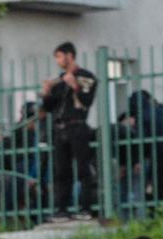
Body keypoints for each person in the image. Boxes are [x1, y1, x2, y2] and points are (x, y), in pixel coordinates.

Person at [41, 42, 98, 221]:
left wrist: (75, 86)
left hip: (77, 126)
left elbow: (87, 101)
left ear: (70, 55)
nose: (58, 60)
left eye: (59, 56)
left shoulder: (85, 76)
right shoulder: (59, 80)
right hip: (60, 129)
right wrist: (47, 93)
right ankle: (62, 209)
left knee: (83, 169)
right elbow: (48, 107)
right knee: (61, 171)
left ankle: (86, 208)